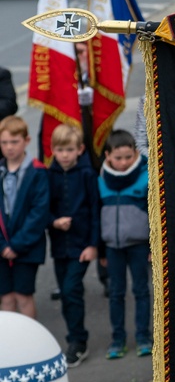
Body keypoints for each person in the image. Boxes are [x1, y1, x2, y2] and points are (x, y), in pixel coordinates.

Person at [47, 122, 99, 366]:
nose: (64, 155)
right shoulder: (48, 175)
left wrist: (93, 245)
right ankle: (74, 338)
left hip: (81, 246)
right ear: (52, 150)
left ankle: (78, 341)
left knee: (70, 290)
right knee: (68, 295)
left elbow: (96, 211)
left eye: (69, 149)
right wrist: (54, 222)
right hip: (59, 247)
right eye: (60, 150)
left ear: (79, 150)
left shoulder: (87, 174)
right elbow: (41, 209)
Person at [100, 128, 151, 359]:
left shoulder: (146, 176)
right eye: (118, 158)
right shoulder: (100, 180)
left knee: (141, 291)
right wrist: (100, 248)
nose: (123, 162)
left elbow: (155, 216)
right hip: (112, 247)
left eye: (128, 157)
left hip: (139, 245)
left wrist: (152, 247)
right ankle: (117, 339)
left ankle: (143, 337)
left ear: (135, 153)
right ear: (108, 156)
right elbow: (95, 217)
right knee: (116, 293)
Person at [0, 116, 48, 319]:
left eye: (14, 142)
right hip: (1, 247)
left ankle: (30, 347)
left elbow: (39, 212)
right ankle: (9, 346)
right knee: (6, 297)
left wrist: (17, 245)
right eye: (4, 142)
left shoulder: (37, 171)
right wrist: (3, 246)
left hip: (27, 246)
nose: (9, 147)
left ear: (26, 141)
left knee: (23, 296)